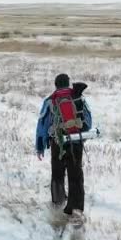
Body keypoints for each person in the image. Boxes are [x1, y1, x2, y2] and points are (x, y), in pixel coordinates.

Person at [36, 73, 92, 216]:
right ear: (68, 83)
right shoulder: (78, 97)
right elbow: (88, 120)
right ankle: (76, 207)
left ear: (56, 85)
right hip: (76, 140)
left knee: (57, 172)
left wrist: (40, 146)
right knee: (76, 174)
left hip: (58, 142)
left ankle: (58, 200)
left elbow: (42, 124)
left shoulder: (50, 100)